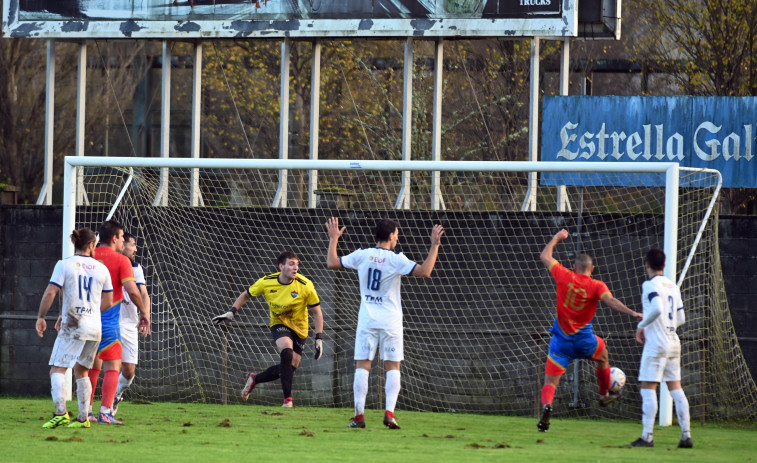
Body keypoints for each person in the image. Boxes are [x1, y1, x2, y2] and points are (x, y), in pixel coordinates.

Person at [326, 217, 444, 430]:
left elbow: (332, 263)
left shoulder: (362, 255)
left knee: (363, 365)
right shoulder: (396, 259)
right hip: (390, 321)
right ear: (390, 236)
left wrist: (334, 238)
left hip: (367, 320)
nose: (397, 238)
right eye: (397, 234)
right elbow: (425, 271)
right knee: (393, 366)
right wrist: (434, 245)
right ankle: (389, 413)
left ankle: (359, 416)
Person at [537, 229, 642, 432]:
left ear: (574, 267)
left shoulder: (563, 274)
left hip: (561, 343)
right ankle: (604, 395)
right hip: (585, 342)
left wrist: (557, 238)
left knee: (550, 382)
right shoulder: (596, 285)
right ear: (592, 269)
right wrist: (632, 313)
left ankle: (547, 406)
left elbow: (544, 256)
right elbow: (611, 302)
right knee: (603, 356)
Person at [212, 251, 324, 408]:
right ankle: (288, 401)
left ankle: (254, 379)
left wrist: (318, 338)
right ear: (281, 266)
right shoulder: (266, 282)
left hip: (300, 327)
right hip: (279, 323)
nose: (295, 267)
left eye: (297, 264)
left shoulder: (306, 285)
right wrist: (231, 312)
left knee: (290, 367)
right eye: (291, 264)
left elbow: (317, 312)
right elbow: (246, 294)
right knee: (286, 352)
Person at [37, 228, 114, 428]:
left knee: (57, 369)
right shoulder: (101, 268)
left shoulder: (64, 265)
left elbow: (51, 292)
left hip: (74, 324)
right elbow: (109, 300)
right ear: (91, 245)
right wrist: (92, 313)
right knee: (82, 370)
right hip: (94, 326)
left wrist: (41, 316)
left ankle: (61, 413)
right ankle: (83, 418)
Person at [629, 248, 692, 448]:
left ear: (646, 264)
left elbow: (656, 308)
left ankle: (647, 437)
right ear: (664, 265)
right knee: (676, 388)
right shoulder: (673, 286)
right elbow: (681, 318)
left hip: (657, 343)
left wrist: (642, 326)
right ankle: (686, 436)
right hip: (674, 341)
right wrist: (668, 325)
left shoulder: (649, 285)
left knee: (648, 387)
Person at [88, 220, 150, 425]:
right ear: (114, 238)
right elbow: (133, 291)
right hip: (108, 321)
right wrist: (144, 312)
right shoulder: (121, 261)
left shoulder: (87, 256)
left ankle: (85, 411)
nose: (124, 242)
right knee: (113, 365)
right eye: (122, 238)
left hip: (85, 319)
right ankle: (106, 411)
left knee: (88, 367)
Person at [112, 233, 151, 416]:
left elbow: (143, 294)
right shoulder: (107, 263)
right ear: (121, 244)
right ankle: (92, 410)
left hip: (129, 323)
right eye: (132, 245)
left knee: (129, 372)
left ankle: (116, 395)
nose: (135, 249)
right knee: (109, 366)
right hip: (109, 321)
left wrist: (146, 315)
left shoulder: (136, 267)